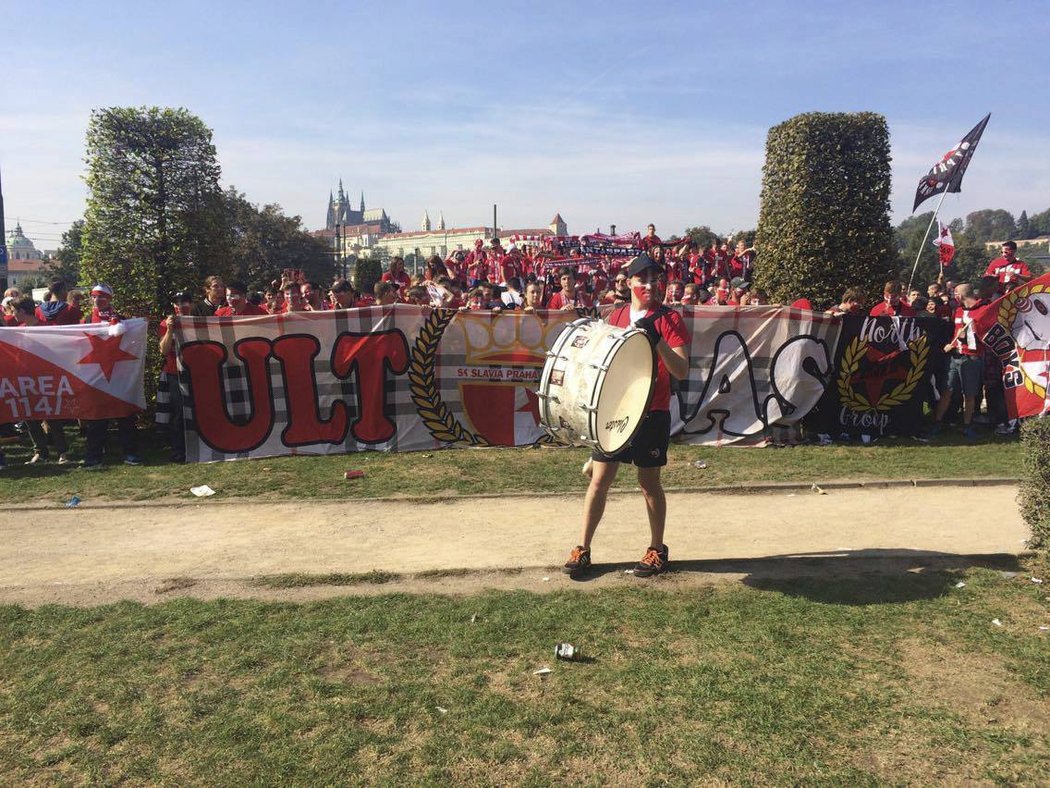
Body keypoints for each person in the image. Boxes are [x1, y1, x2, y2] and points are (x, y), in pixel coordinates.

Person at [563, 253, 690, 579]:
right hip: (615, 414)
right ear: (630, 282)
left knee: (649, 484)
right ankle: (582, 548)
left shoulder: (669, 318)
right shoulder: (615, 317)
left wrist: (657, 339)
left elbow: (682, 371)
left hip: (653, 414)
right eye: (642, 279)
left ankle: (657, 549)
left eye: (654, 279)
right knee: (599, 481)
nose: (649, 284)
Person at [82, 284, 141, 468]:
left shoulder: (121, 320)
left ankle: (130, 453)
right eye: (94, 297)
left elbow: (132, 343)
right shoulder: (85, 320)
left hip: (119, 373)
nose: (98, 300)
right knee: (96, 418)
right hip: (95, 374)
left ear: (110, 299)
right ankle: (94, 456)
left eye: (102, 297)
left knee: (124, 415)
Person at [12, 296, 72, 464]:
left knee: (53, 417)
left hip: (46, 379)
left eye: (15, 311)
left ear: (23, 311)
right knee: (30, 417)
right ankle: (40, 452)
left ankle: (62, 452)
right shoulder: (18, 330)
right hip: (26, 380)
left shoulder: (45, 328)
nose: (13, 314)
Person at [930, 283, 988, 440]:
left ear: (961, 295)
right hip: (955, 356)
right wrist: (952, 344)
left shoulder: (982, 310)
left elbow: (985, 335)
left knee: (969, 394)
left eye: (955, 293)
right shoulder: (959, 310)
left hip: (971, 357)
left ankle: (967, 425)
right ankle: (937, 422)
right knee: (946, 390)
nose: (953, 296)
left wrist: (969, 336)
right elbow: (955, 333)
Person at [157, 290, 195, 461]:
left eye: (185, 302)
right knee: (179, 412)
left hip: (197, 371)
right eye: (178, 302)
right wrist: (170, 330)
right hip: (174, 372)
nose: (181, 306)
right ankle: (179, 450)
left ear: (191, 304)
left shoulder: (198, 322)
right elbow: (163, 350)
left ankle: (199, 445)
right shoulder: (166, 324)